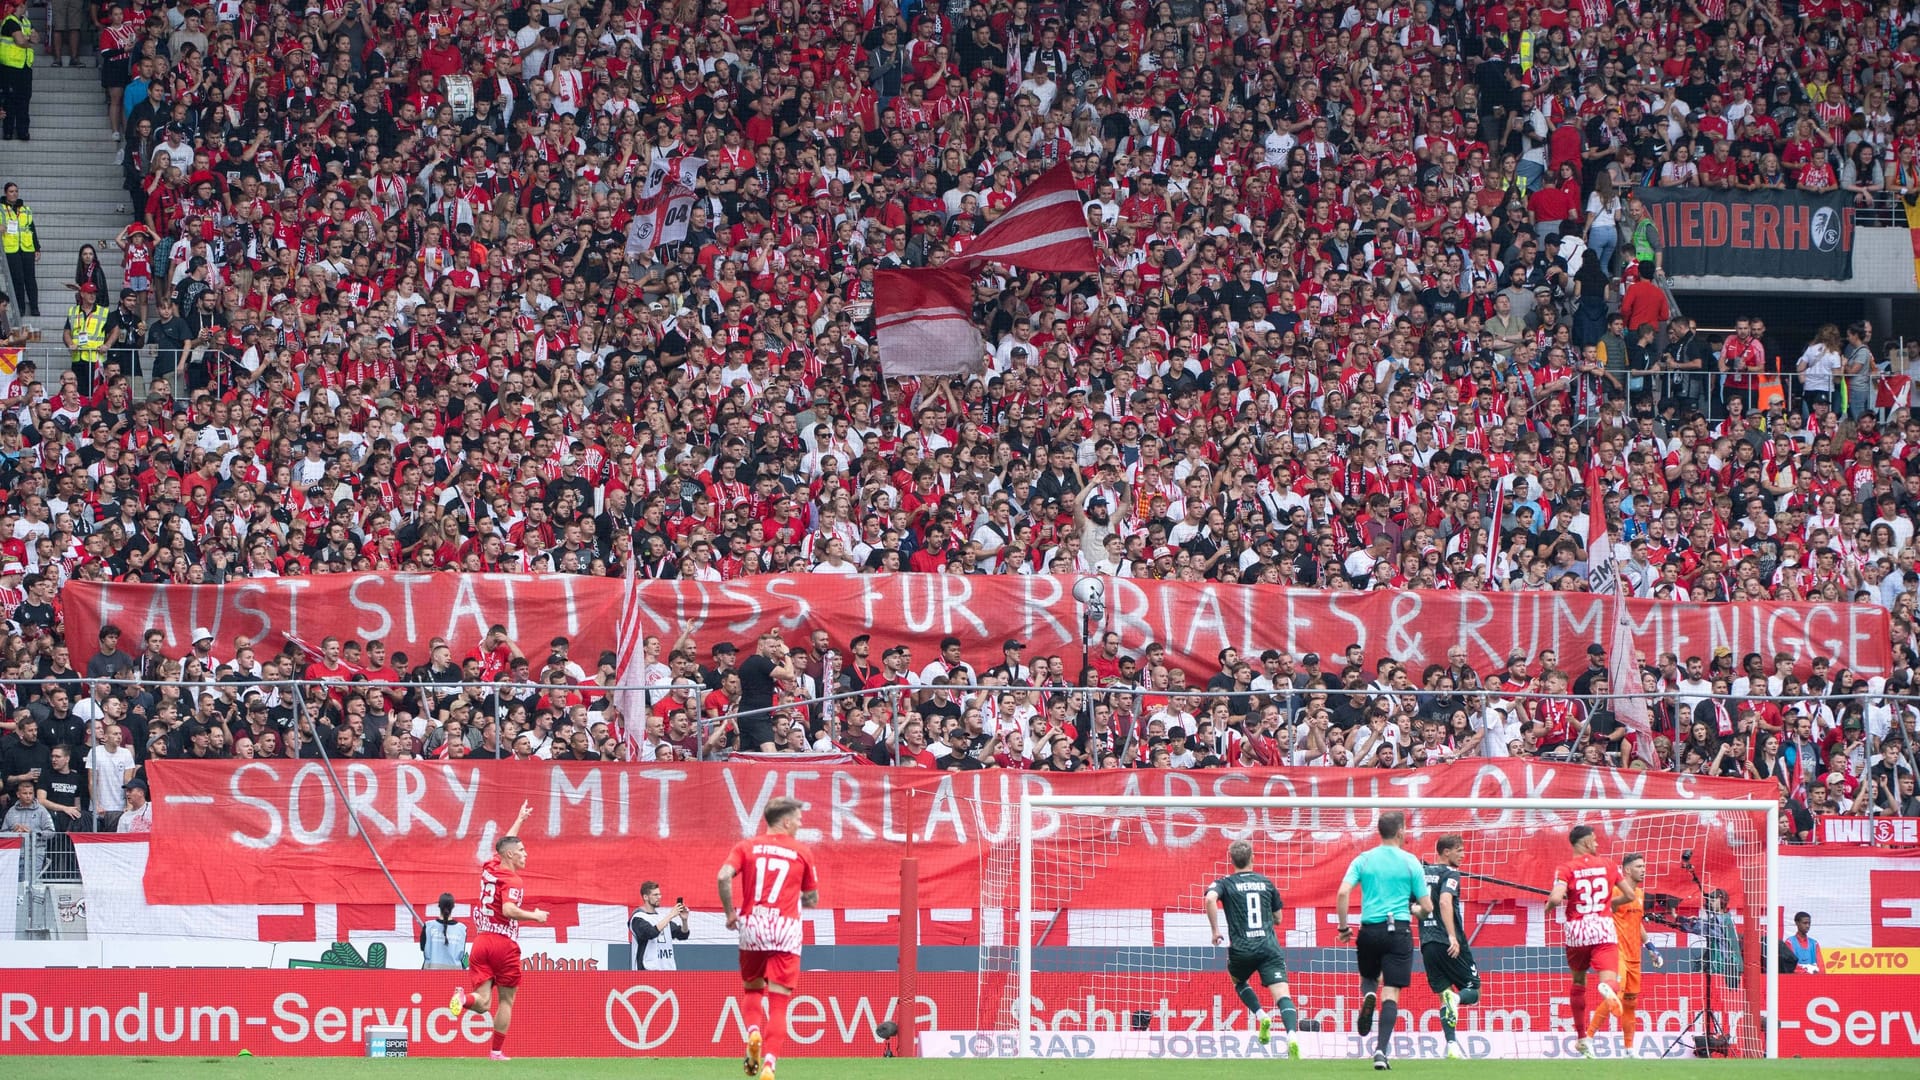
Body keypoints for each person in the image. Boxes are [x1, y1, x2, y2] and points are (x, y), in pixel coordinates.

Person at [719, 796, 820, 1080]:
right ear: (785, 821)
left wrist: (730, 913)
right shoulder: (801, 852)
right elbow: (812, 898)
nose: (801, 823)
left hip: (753, 924)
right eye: (798, 818)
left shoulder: (746, 847)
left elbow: (723, 876)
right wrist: (799, 896)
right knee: (779, 1004)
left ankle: (753, 1034)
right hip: (786, 928)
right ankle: (769, 1065)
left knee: (752, 990)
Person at [449, 802, 548, 1061]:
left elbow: (503, 845)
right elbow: (509, 910)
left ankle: (463, 998)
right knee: (506, 1001)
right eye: (522, 851)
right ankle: (496, 1052)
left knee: (481, 1004)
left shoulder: (491, 867)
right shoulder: (513, 880)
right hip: (503, 943)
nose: (526, 854)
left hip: (481, 941)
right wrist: (535, 916)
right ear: (511, 856)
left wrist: (520, 819)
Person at [1335, 810, 1431, 1071]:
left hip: (1370, 930)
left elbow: (1343, 892)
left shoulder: (1364, 859)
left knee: (1369, 979)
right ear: (1400, 832)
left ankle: (1368, 994)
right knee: (1391, 992)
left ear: (1379, 831)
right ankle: (1380, 1051)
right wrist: (1416, 911)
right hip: (1398, 930)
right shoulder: (1411, 862)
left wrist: (1344, 927)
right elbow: (1427, 907)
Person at [1203, 838, 1301, 1057]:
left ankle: (1261, 1016)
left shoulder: (1225, 883)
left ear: (1231, 860)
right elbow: (1278, 918)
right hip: (1268, 947)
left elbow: (1210, 899)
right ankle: (1292, 1035)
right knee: (1283, 994)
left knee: (1238, 980)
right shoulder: (1266, 883)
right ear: (1252, 858)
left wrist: (1215, 930)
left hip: (1242, 949)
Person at [1546, 824, 1625, 1058]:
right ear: (1587, 841)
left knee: (1578, 981)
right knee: (1612, 978)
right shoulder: (1609, 864)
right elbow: (1629, 895)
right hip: (1602, 926)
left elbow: (1556, 897)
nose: (1598, 843)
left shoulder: (1566, 868)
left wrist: (1549, 906)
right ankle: (1607, 988)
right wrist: (1608, 905)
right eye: (1595, 839)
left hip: (1577, 930)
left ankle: (1582, 1038)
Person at [1420, 834, 1481, 1058]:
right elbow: (1445, 901)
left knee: (1444, 994)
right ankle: (1456, 999)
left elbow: (1414, 905)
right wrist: (1452, 936)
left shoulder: (1422, 873)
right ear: (1446, 852)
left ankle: (1452, 1045)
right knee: (1474, 991)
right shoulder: (1451, 873)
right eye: (1459, 850)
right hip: (1448, 941)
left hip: (1426, 942)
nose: (1463, 854)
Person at [1611, 852, 1664, 1048]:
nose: (1644, 870)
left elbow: (1637, 923)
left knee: (1630, 1004)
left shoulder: (1639, 895)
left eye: (1644, 866)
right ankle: (1588, 1037)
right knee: (1618, 991)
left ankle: (1629, 1049)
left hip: (1634, 954)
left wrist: (1650, 946)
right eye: (1639, 867)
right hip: (1616, 951)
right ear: (1626, 870)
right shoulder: (1615, 892)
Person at [630, 880, 691, 970]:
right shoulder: (637, 918)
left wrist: (684, 920)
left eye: (659, 894)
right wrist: (671, 915)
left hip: (667, 970)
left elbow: (683, 935)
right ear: (646, 897)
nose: (659, 897)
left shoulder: (661, 918)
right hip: (647, 970)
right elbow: (650, 933)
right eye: (655, 895)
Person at [0, 182, 38, 314]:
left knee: (30, 279)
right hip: (11, 249)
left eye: (16, 191)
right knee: (18, 279)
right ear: (6, 193)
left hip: (27, 248)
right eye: (11, 191)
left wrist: (37, 248)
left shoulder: (25, 209)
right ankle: (20, 308)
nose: (14, 193)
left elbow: (31, 228)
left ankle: (34, 307)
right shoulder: (0, 208)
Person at [64, 282, 107, 395]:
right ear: (82, 294)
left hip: (95, 358)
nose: (92, 296)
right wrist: (70, 344)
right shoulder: (73, 311)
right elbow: (67, 332)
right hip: (78, 358)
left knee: (96, 392)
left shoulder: (103, 312)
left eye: (94, 293)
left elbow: (115, 330)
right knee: (79, 392)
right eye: (89, 293)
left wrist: (107, 345)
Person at [0, 2, 33, 143]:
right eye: (23, 4)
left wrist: (27, 39)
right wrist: (29, 40)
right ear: (19, 6)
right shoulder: (10, 22)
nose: (25, 7)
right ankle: (7, 131)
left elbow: (35, 37)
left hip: (24, 66)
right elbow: (20, 41)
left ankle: (22, 131)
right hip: (10, 67)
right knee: (9, 99)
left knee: (24, 99)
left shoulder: (26, 21)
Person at [421, 892, 469, 970]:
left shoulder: (428, 926)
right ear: (453, 907)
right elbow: (464, 956)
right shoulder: (462, 929)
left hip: (429, 976)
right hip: (455, 978)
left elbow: (423, 948)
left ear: (438, 906)